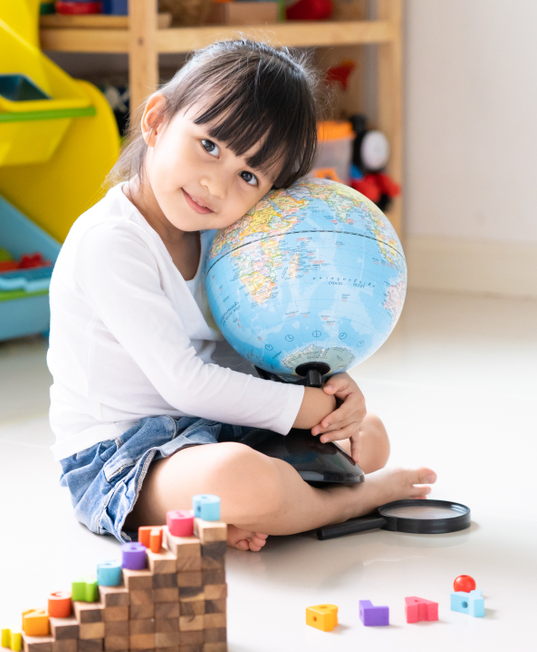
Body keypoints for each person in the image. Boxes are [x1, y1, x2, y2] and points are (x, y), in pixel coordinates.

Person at [48, 39, 436, 552]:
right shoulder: (111, 243)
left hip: (214, 425)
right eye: (209, 145)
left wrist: (329, 398)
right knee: (243, 479)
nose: (214, 185)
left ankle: (236, 515)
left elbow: (249, 351)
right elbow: (185, 383)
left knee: (369, 436)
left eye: (248, 175)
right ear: (157, 121)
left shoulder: (227, 238)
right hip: (124, 453)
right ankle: (354, 502)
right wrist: (302, 407)